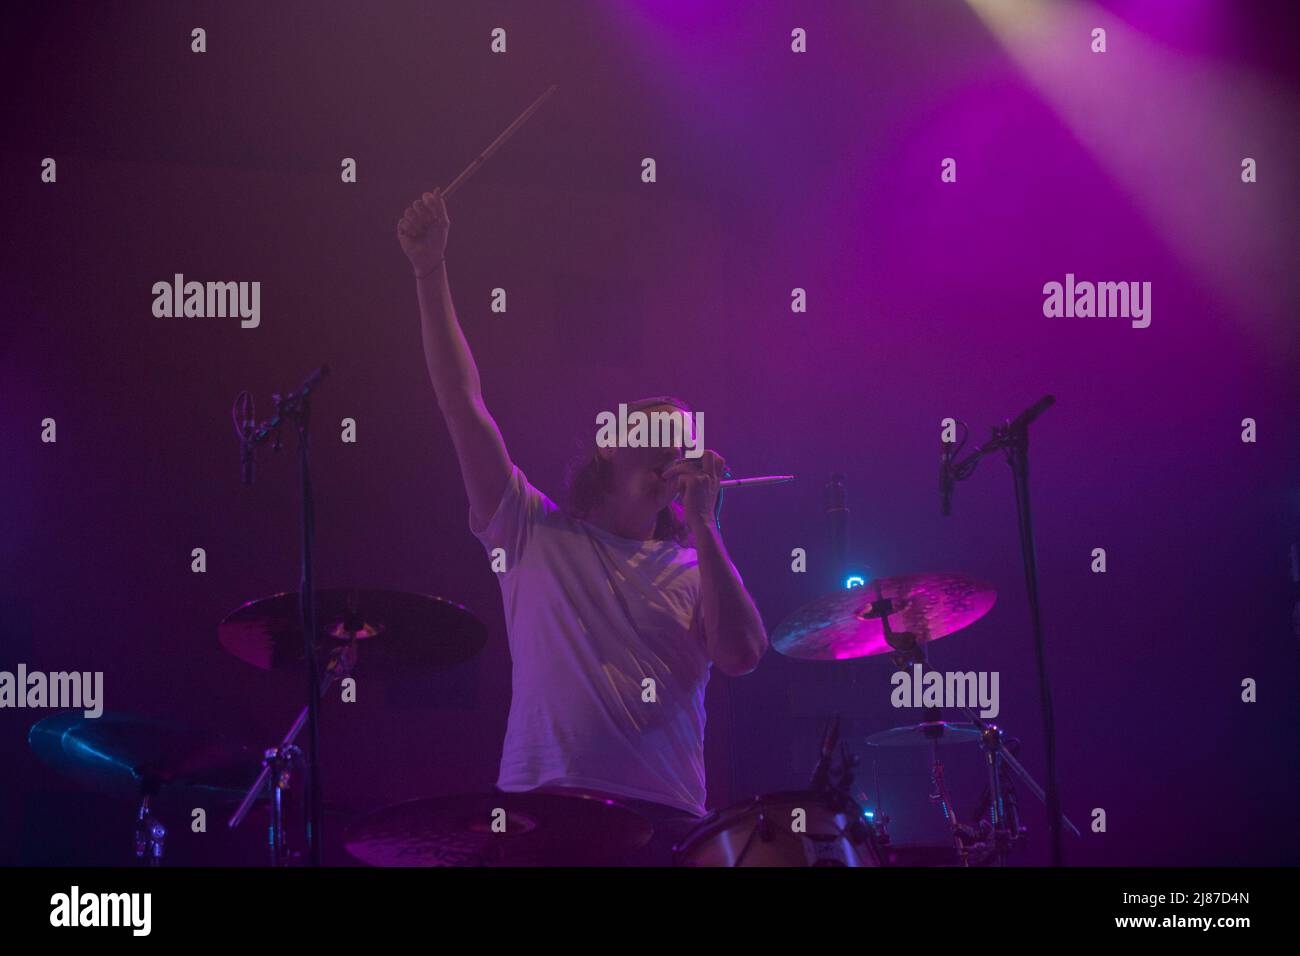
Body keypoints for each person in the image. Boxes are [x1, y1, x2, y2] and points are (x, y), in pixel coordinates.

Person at [397, 189, 768, 864]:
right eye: (657, 429)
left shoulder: (693, 565)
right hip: (545, 811)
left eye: (683, 441)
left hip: (665, 826)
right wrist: (430, 272)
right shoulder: (530, 530)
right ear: (610, 446)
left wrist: (706, 528)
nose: (673, 446)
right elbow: (462, 403)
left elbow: (742, 654)